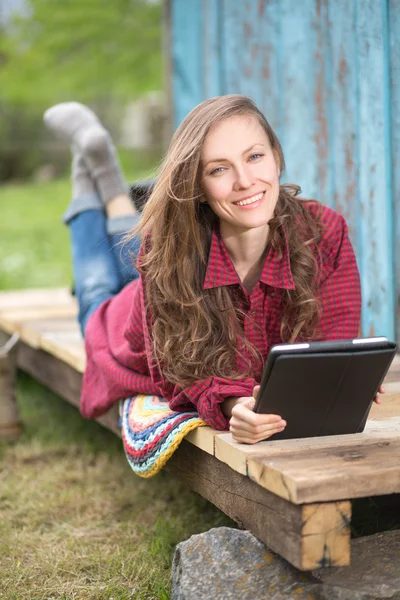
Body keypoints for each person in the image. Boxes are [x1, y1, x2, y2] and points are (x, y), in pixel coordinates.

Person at [44, 95, 381, 446]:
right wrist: (235, 405)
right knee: (96, 290)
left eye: (254, 156)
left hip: (169, 264)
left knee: (134, 253)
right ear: (199, 187)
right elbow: (184, 372)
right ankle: (96, 178)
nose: (245, 181)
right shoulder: (166, 252)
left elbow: (333, 346)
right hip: (129, 328)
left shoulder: (322, 232)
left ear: (276, 157)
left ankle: (113, 191)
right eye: (219, 169)